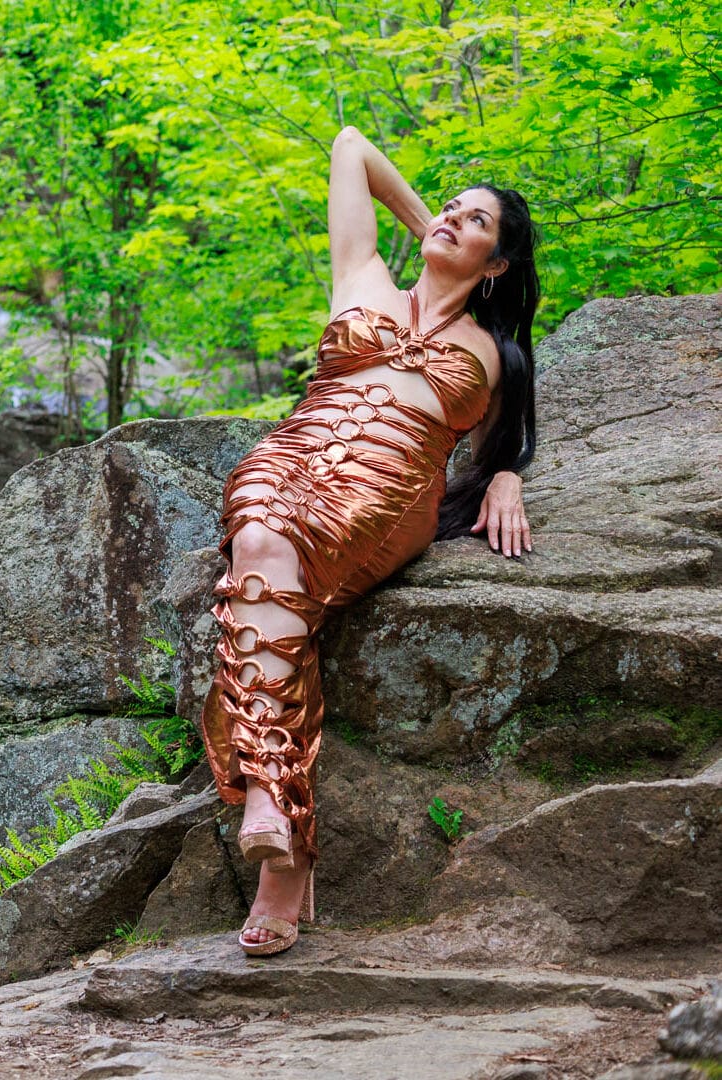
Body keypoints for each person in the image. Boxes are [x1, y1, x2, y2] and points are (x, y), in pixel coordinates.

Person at [200, 125, 541, 956]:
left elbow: (506, 443)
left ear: (499, 265)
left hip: (385, 492)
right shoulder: (364, 278)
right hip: (294, 453)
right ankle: (278, 825)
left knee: (273, 553)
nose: (455, 221)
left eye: (478, 224)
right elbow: (350, 146)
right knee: (258, 529)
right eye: (451, 209)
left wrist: (505, 475)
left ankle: (271, 808)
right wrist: (435, 225)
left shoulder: (495, 351)